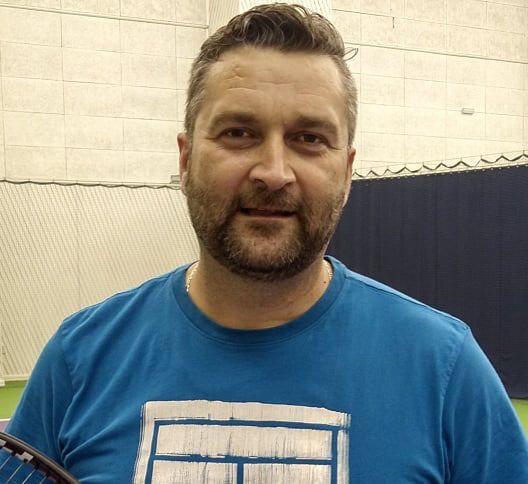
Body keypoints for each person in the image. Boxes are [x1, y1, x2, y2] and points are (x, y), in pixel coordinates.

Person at [3, 4, 528, 483]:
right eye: (238, 132)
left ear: (347, 172)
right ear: (185, 159)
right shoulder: (80, 358)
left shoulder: (445, 370)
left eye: (309, 139)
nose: (274, 172)